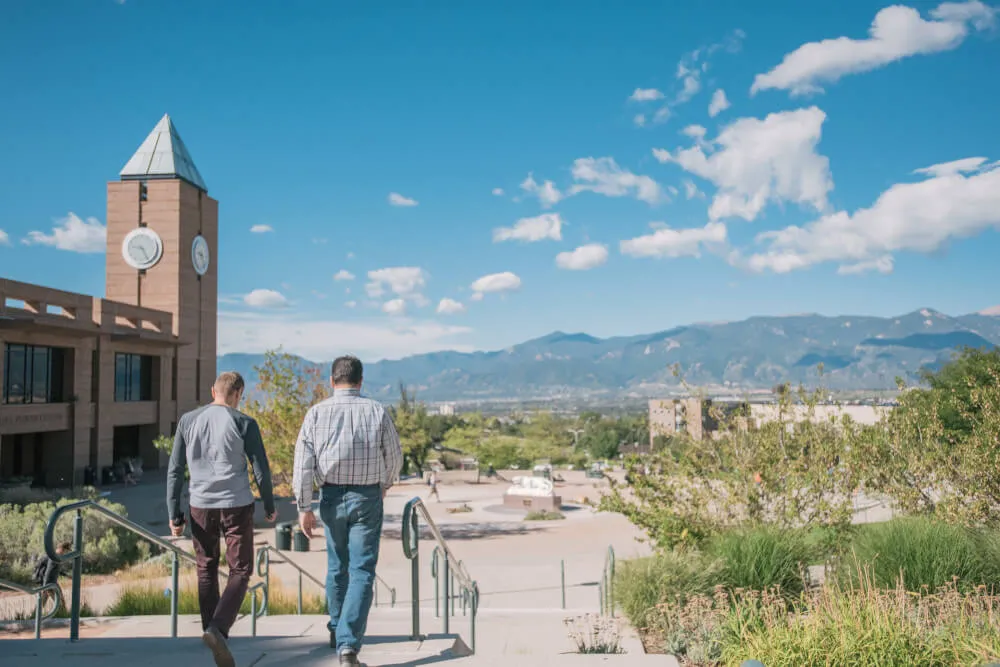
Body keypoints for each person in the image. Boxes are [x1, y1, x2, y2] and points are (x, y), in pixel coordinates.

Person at [293, 356, 403, 667]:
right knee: (362, 571)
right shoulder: (376, 411)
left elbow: (302, 465)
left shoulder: (315, 413)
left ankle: (337, 631)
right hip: (367, 497)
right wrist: (385, 483)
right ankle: (348, 645)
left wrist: (304, 507)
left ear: (332, 380)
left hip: (329, 496)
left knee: (336, 566)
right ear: (360, 381)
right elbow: (394, 457)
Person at [167, 371, 276, 667]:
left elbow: (175, 470)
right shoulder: (244, 423)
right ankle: (218, 629)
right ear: (238, 393)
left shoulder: (188, 421)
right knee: (240, 570)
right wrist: (269, 504)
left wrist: (173, 513)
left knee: (206, 567)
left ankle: (210, 630)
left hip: (200, 505)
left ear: (212, 390)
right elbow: (261, 470)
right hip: (236, 504)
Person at [33, 541, 70, 607]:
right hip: (50, 584)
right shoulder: (53, 558)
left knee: (41, 605)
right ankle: (62, 615)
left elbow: (56, 570)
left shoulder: (55, 557)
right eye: (66, 551)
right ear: (62, 549)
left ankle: (34, 616)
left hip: (51, 583)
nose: (65, 553)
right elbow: (48, 573)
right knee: (60, 604)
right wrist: (46, 587)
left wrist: (66, 575)